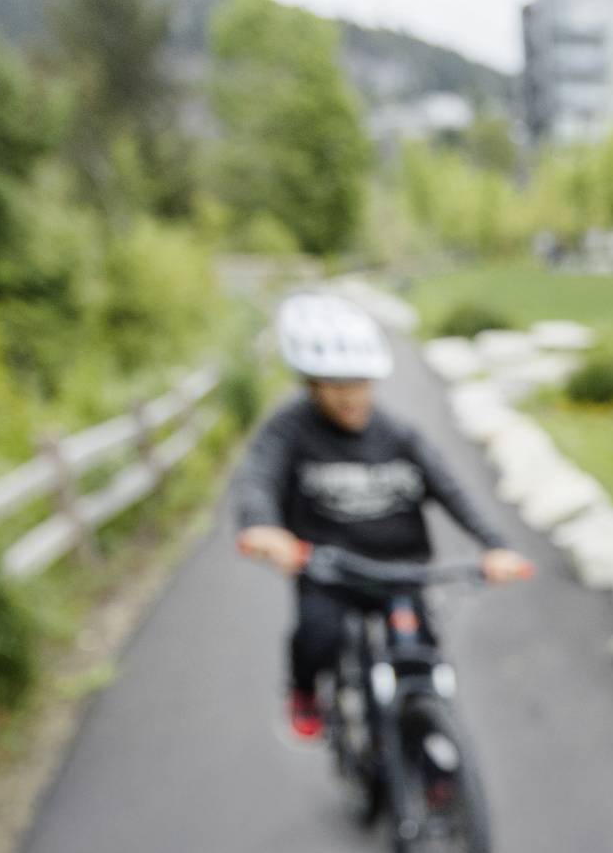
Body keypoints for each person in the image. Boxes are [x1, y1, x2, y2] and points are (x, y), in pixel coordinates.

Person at [227, 292, 532, 742]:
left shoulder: (398, 435)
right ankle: (305, 693)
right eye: (336, 384)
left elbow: (451, 489)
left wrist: (496, 545)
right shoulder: (288, 430)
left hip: (400, 570)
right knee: (318, 634)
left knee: (420, 660)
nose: (351, 395)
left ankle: (432, 767)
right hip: (329, 570)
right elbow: (258, 477)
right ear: (311, 384)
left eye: (360, 382)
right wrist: (263, 527)